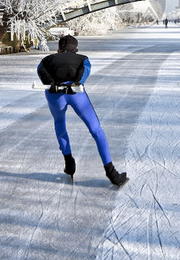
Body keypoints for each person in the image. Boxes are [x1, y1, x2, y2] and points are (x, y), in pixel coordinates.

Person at [37, 35, 128, 187]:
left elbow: (40, 70)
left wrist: (51, 83)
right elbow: (85, 71)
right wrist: (76, 82)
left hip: (55, 95)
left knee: (59, 123)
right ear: (76, 49)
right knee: (96, 130)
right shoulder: (82, 58)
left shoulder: (47, 59)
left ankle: (69, 163)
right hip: (76, 94)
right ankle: (111, 173)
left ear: (59, 49)